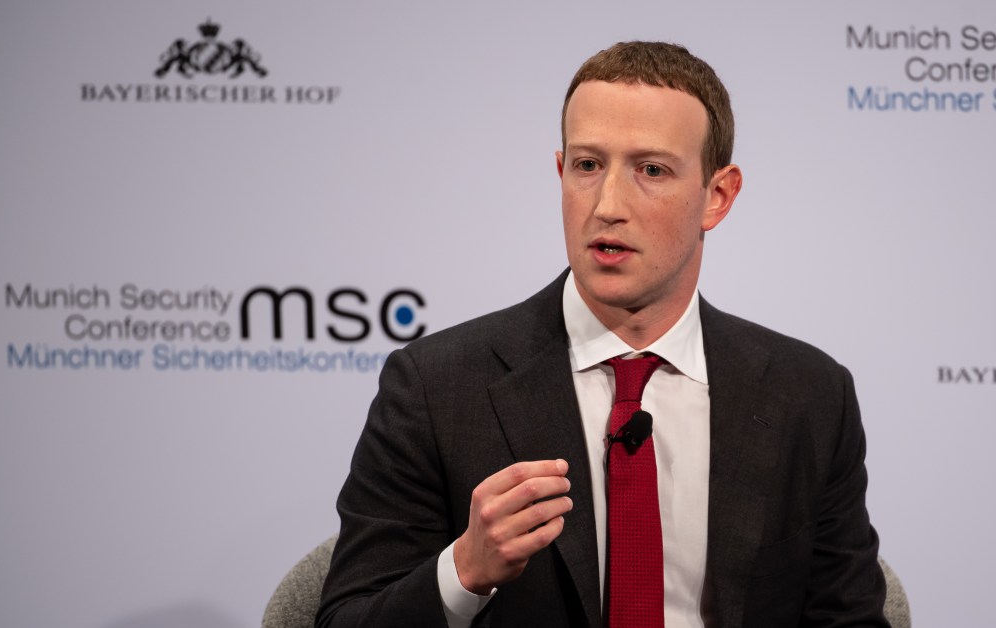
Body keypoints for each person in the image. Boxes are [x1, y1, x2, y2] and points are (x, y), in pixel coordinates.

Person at [315, 41, 888, 628]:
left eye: (652, 170)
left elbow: (848, 617)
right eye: (589, 166)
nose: (608, 205)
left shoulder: (809, 394)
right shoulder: (436, 388)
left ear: (717, 196)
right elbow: (344, 619)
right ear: (562, 173)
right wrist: (463, 571)